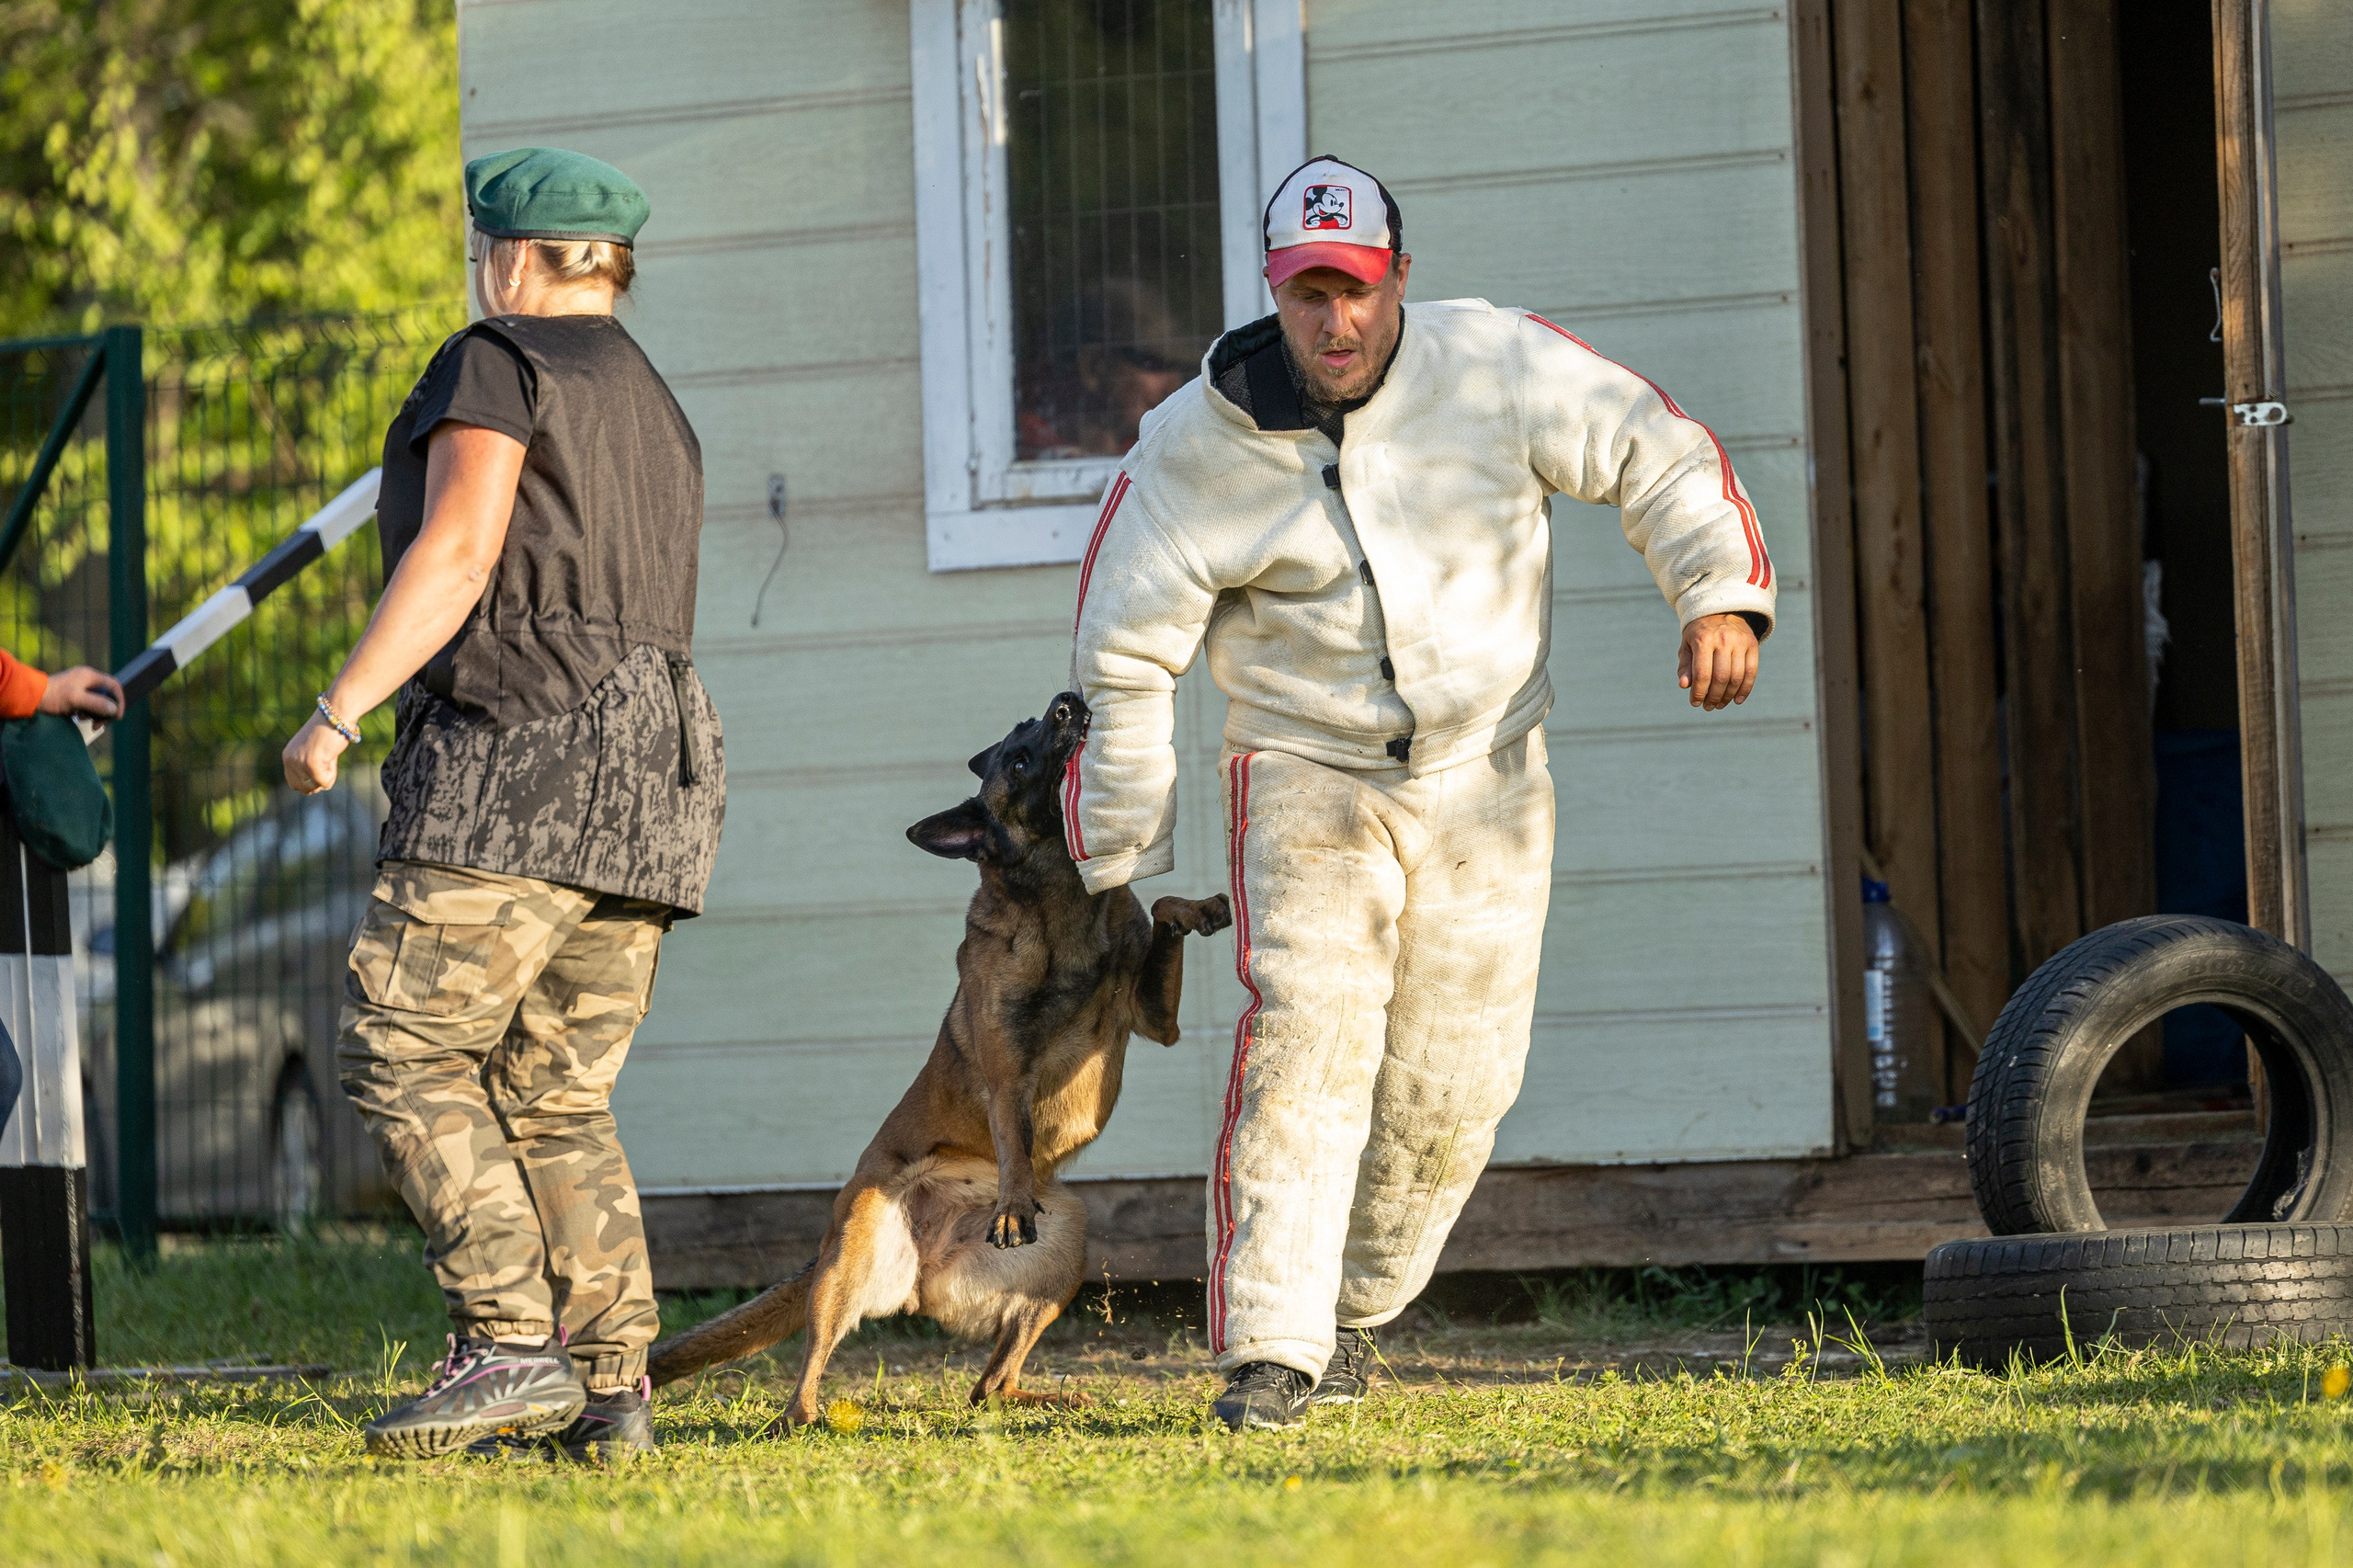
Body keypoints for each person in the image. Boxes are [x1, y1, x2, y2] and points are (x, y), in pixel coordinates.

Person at [1063, 155, 1775, 1429]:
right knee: (1309, 1037)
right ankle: (1269, 1345)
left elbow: (1656, 450)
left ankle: (1349, 1311)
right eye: (1308, 295)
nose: (1335, 322)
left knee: (1461, 1076)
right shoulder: (1191, 447)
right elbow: (1124, 650)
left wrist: (1717, 591)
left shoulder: (1499, 365)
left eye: (1359, 290)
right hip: (1303, 771)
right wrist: (1117, 839)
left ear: (1402, 279)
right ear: (1275, 292)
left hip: (1487, 770)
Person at [281, 147, 724, 1461]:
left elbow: (463, 546)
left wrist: (340, 704)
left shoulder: (498, 359)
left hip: (518, 759)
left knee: (402, 1041)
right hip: (658, 781)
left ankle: (508, 1343)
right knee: (557, 1089)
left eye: (484, 249)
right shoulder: (660, 403)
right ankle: (610, 1387)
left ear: (513, 256)